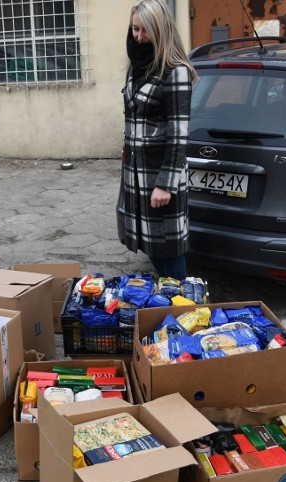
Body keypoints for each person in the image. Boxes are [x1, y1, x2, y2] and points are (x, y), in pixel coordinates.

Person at [117, 0, 196, 281]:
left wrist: (165, 184)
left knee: (169, 250)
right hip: (136, 175)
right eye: (134, 29)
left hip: (160, 179)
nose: (138, 36)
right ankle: (163, 307)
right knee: (151, 246)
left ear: (160, 29)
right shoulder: (137, 67)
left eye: (144, 30)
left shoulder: (175, 71)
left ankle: (182, 307)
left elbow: (178, 134)